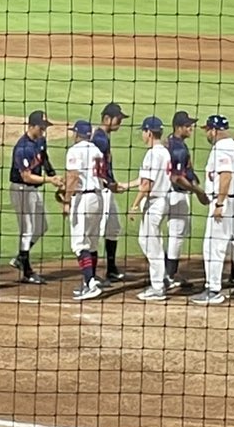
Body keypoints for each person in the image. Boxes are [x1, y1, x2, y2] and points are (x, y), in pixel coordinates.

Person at [193, 115, 234, 305]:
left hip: (226, 202)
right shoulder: (233, 146)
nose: (206, 134)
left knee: (214, 246)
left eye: (207, 130)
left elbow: (226, 175)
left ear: (213, 130)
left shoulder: (222, 147)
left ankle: (213, 290)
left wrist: (220, 203)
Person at [61, 119, 107, 300]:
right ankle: (91, 278)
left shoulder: (75, 150)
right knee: (92, 242)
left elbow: (73, 176)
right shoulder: (96, 150)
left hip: (84, 198)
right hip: (98, 197)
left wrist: (66, 200)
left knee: (79, 244)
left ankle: (90, 283)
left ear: (76, 133)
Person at [8, 111, 57, 285]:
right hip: (21, 189)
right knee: (27, 228)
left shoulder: (40, 141)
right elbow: (26, 177)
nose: (44, 130)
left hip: (33, 190)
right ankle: (27, 270)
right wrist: (49, 180)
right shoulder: (23, 147)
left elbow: (45, 160)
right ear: (31, 126)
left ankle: (21, 257)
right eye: (41, 127)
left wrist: (54, 175)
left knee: (42, 226)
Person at [131, 116, 173, 301]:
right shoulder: (164, 152)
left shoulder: (152, 154)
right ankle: (161, 278)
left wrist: (133, 205)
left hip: (155, 202)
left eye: (143, 131)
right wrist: (127, 185)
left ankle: (158, 286)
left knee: (150, 243)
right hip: (162, 200)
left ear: (148, 132)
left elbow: (147, 184)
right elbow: (145, 181)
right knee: (150, 240)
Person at [162, 111, 204, 293]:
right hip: (177, 195)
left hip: (164, 195)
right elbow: (177, 178)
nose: (191, 128)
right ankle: (169, 275)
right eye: (188, 126)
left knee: (166, 234)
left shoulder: (169, 142)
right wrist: (197, 191)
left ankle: (166, 272)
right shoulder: (178, 148)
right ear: (178, 127)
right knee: (177, 235)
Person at [90, 103, 127, 285]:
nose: (120, 122)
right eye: (118, 119)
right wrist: (111, 184)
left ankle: (111, 269)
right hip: (101, 189)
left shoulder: (103, 137)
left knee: (113, 227)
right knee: (98, 231)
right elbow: (100, 168)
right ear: (107, 119)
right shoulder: (100, 139)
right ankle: (92, 274)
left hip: (107, 188)